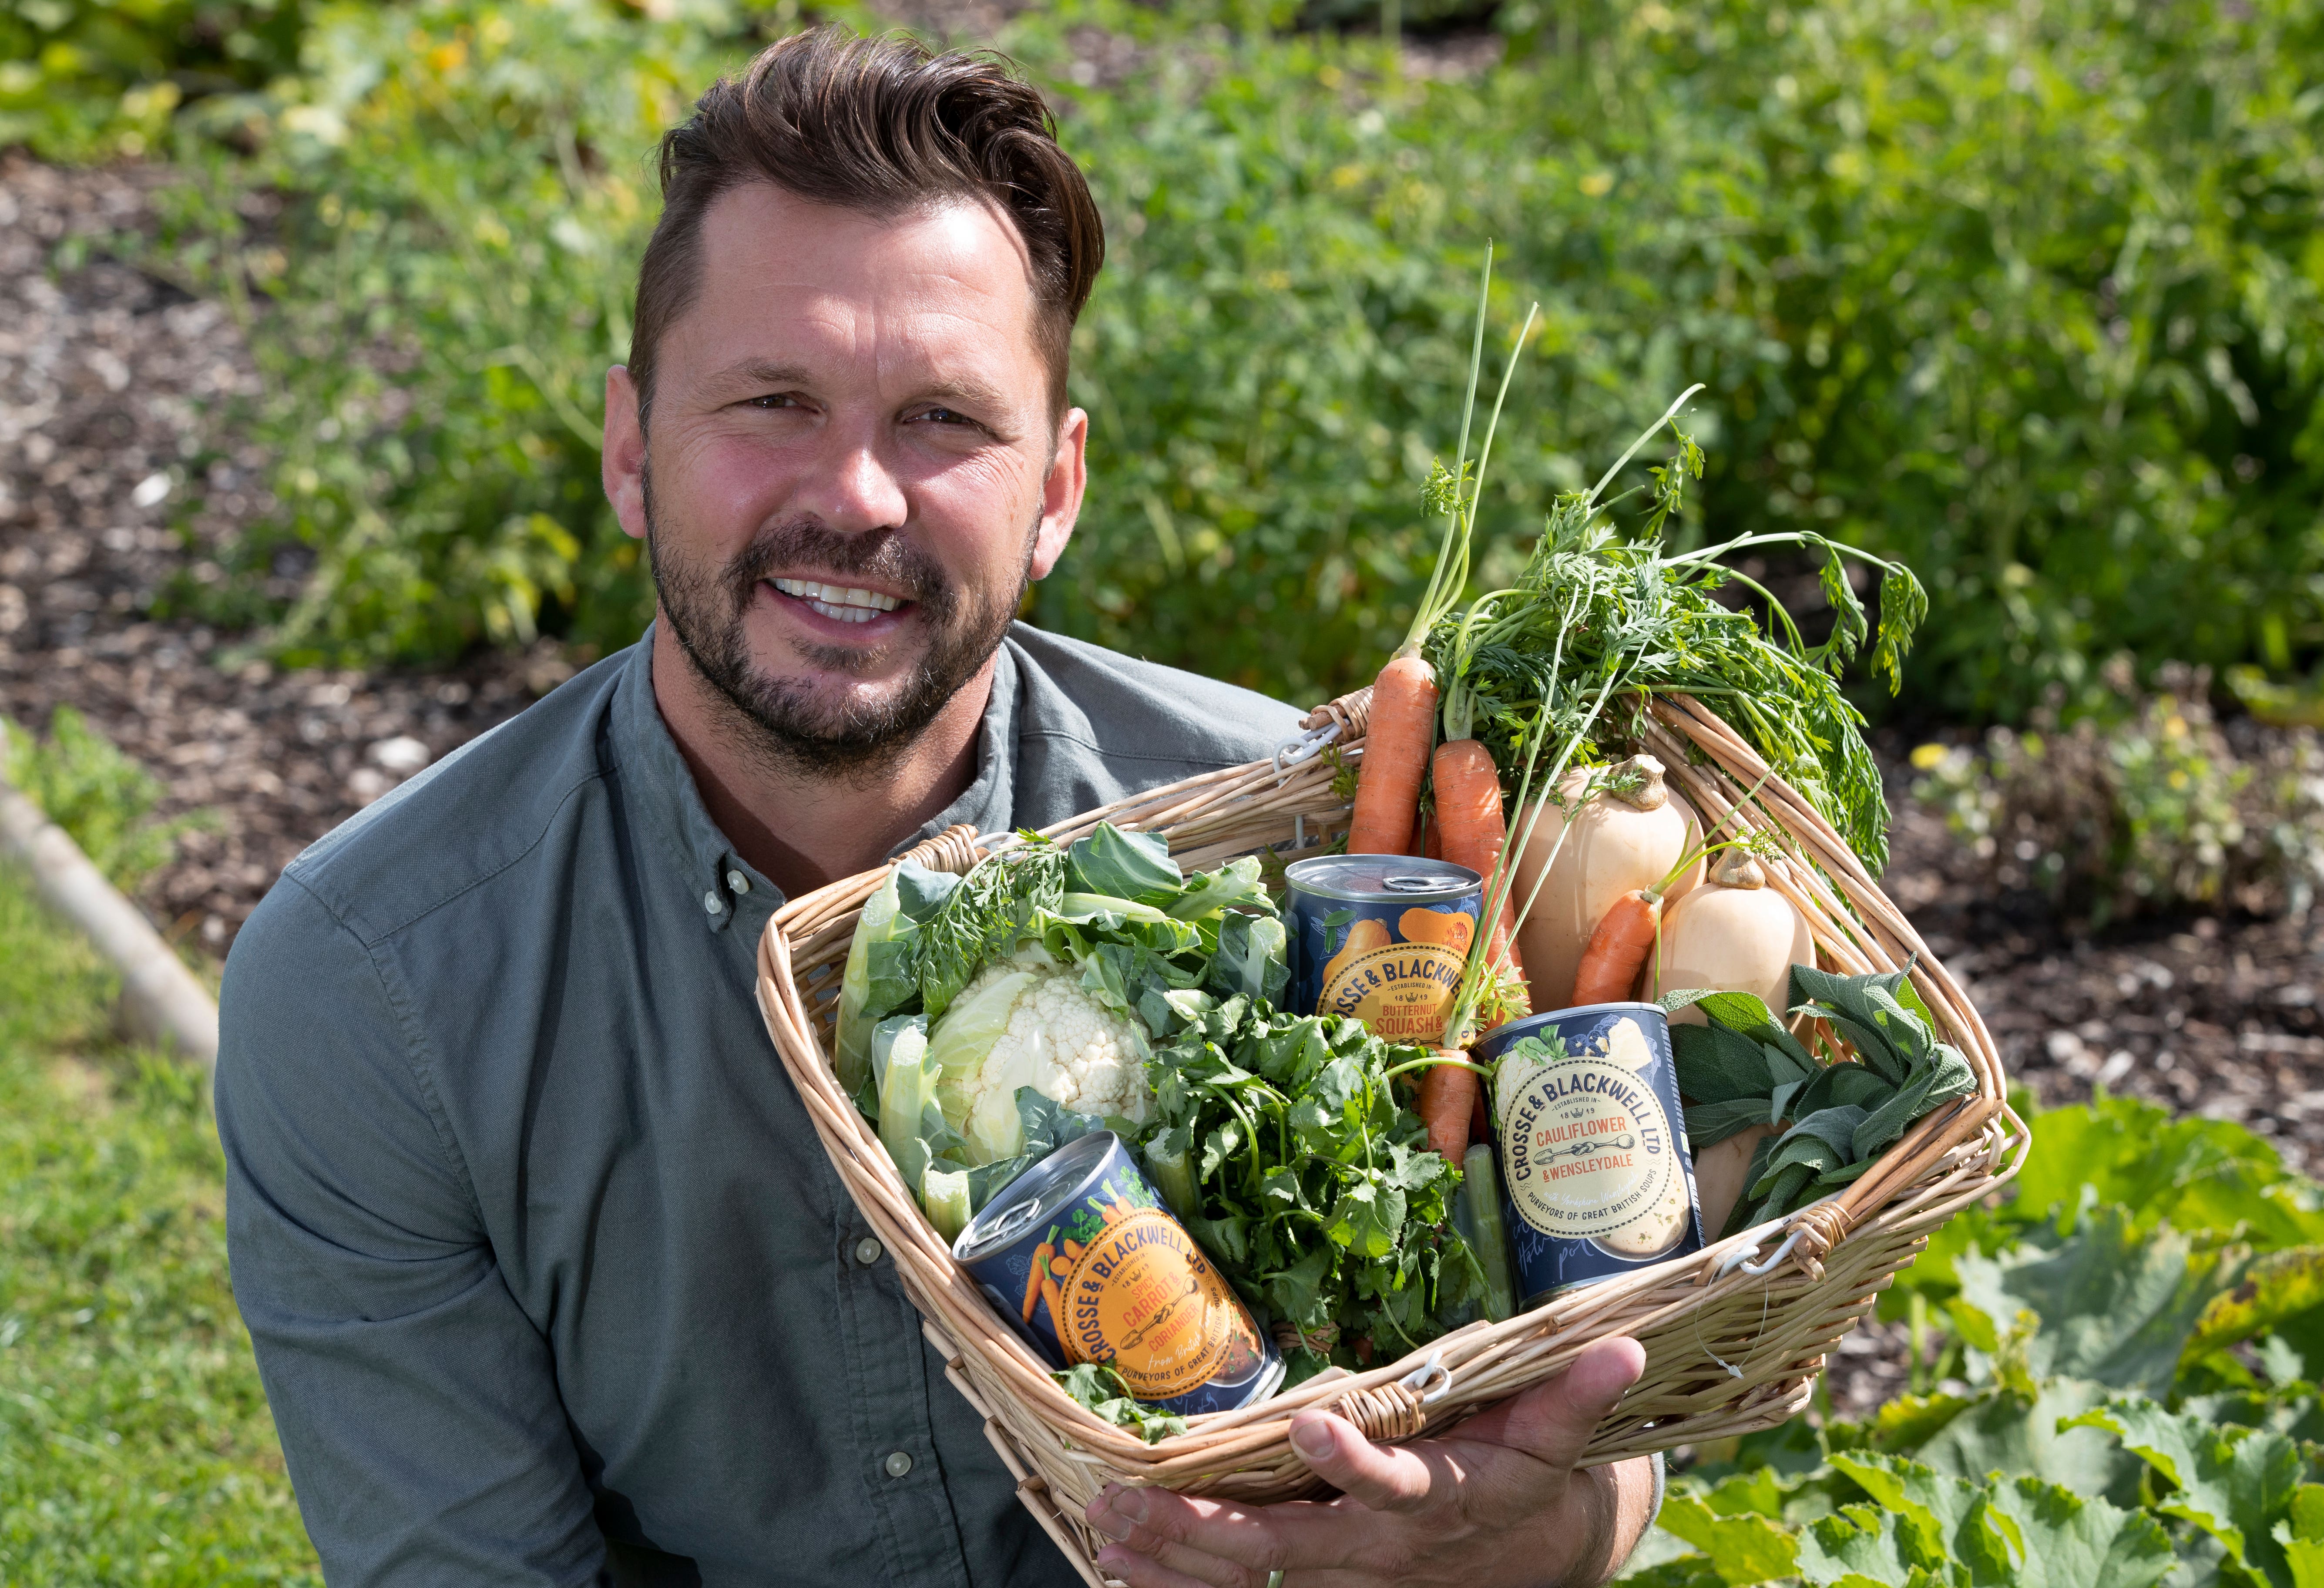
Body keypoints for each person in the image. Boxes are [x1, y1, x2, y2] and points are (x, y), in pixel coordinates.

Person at [215, 27, 1662, 1588]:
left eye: (944, 422)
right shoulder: (381, 981)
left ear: (1056, 493)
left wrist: (1546, 1532)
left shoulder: (1317, 856)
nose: (859, 497)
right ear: (634, 450)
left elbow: (1598, 1403)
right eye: (773, 399)